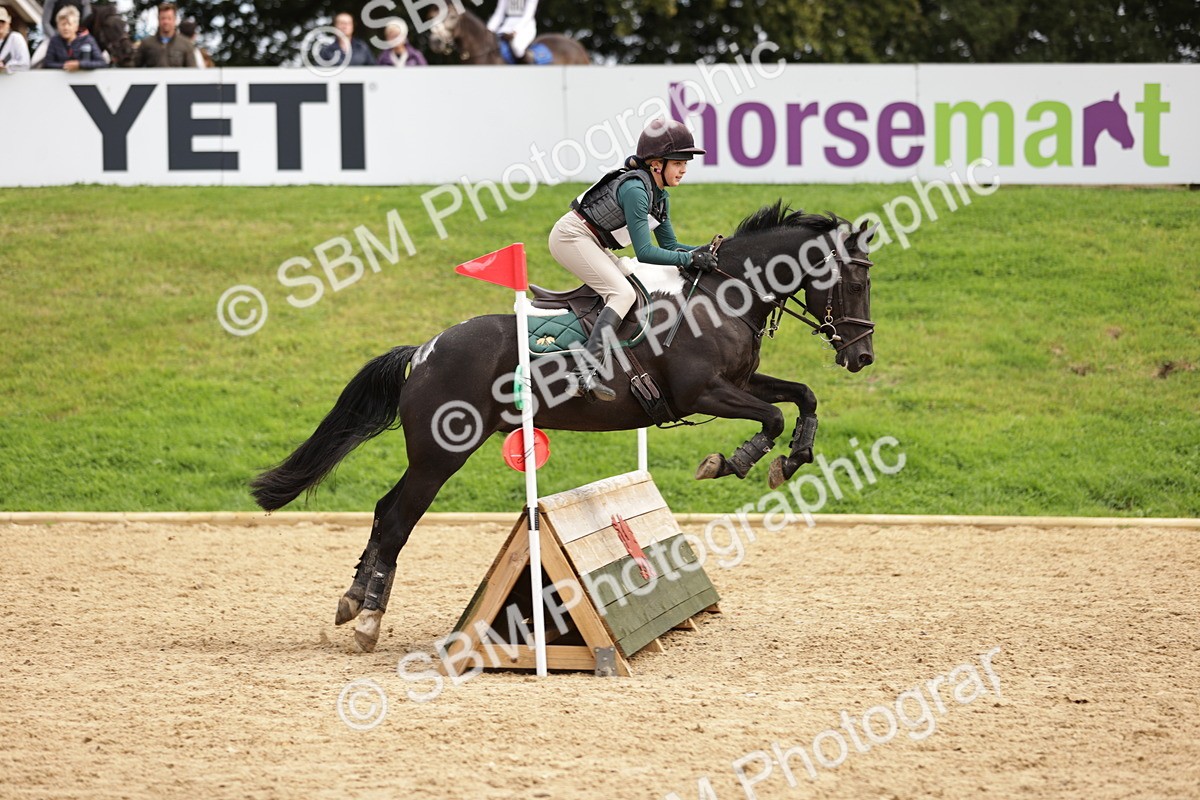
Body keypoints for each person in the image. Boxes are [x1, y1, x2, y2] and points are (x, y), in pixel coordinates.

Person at [548, 118, 717, 401]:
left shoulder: (659, 195)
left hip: (592, 241)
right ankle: (583, 372)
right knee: (622, 293)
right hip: (570, 238)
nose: (684, 169)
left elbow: (671, 246)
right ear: (656, 164)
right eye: (678, 162)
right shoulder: (636, 190)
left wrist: (704, 252)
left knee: (633, 286)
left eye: (686, 163)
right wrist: (690, 258)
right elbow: (646, 253)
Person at [44, 4, 106, 70]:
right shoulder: (54, 41)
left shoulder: (88, 40)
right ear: (57, 26)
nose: (66, 28)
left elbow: (101, 63)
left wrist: (79, 65)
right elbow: (48, 63)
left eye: (69, 24)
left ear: (76, 26)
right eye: (63, 24)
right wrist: (66, 66)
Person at [133, 2, 195, 67]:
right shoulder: (146, 43)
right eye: (163, 18)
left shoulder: (186, 44)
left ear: (175, 20)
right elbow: (133, 68)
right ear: (158, 19)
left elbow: (192, 72)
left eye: (169, 18)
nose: (166, 22)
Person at [0, 7, 32, 73]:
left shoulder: (16, 38)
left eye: (2, 22)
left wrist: (6, 66)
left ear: (8, 23)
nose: (0, 24)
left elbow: (25, 64)